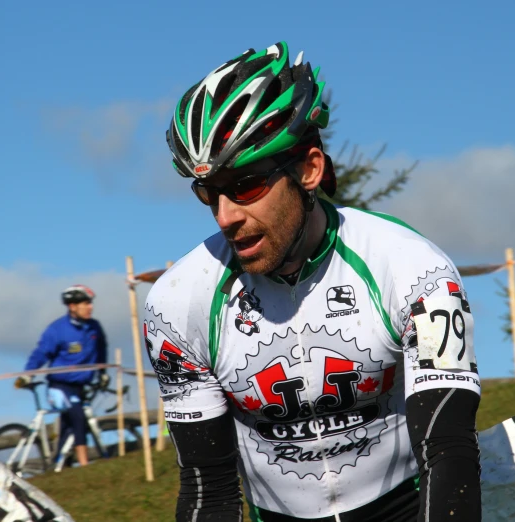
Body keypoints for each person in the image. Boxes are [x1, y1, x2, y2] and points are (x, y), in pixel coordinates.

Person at [141, 41, 481, 521]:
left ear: (309, 169)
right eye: (208, 193)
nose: (225, 216)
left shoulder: (411, 268)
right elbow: (208, 488)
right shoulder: (179, 303)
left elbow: (449, 450)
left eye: (246, 186)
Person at [15, 284, 109, 468]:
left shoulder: (94, 328)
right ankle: (84, 464)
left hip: (82, 386)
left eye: (90, 303)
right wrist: (28, 374)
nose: (90, 307)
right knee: (78, 416)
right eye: (85, 303)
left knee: (69, 426)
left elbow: (102, 350)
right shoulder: (57, 329)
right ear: (72, 306)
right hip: (59, 387)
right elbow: (41, 353)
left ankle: (59, 467)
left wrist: (103, 373)